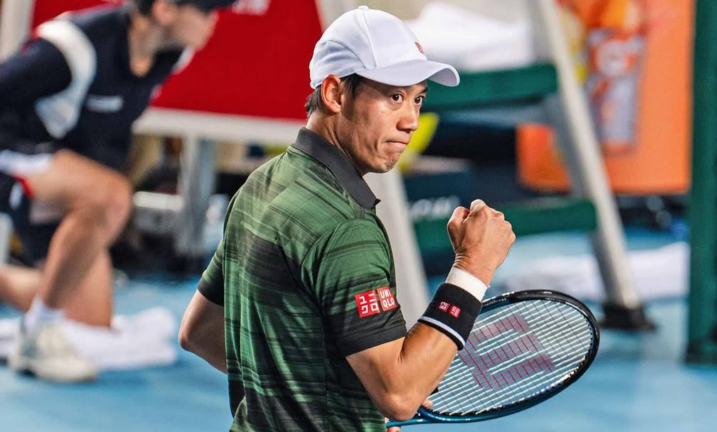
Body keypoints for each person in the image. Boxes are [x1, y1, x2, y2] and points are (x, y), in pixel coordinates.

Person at [179, 6, 516, 431]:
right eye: (394, 97)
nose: (411, 120)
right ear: (336, 94)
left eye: (418, 99)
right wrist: (473, 268)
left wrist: (328, 401)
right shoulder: (344, 229)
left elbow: (199, 331)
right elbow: (400, 395)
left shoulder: (262, 183)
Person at [0, 0, 234, 382]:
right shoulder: (69, 49)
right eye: (206, 10)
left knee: (88, 319)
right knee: (110, 195)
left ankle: (34, 304)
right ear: (164, 10)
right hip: (12, 159)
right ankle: (36, 336)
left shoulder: (172, 56)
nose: (213, 22)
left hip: (62, 179)